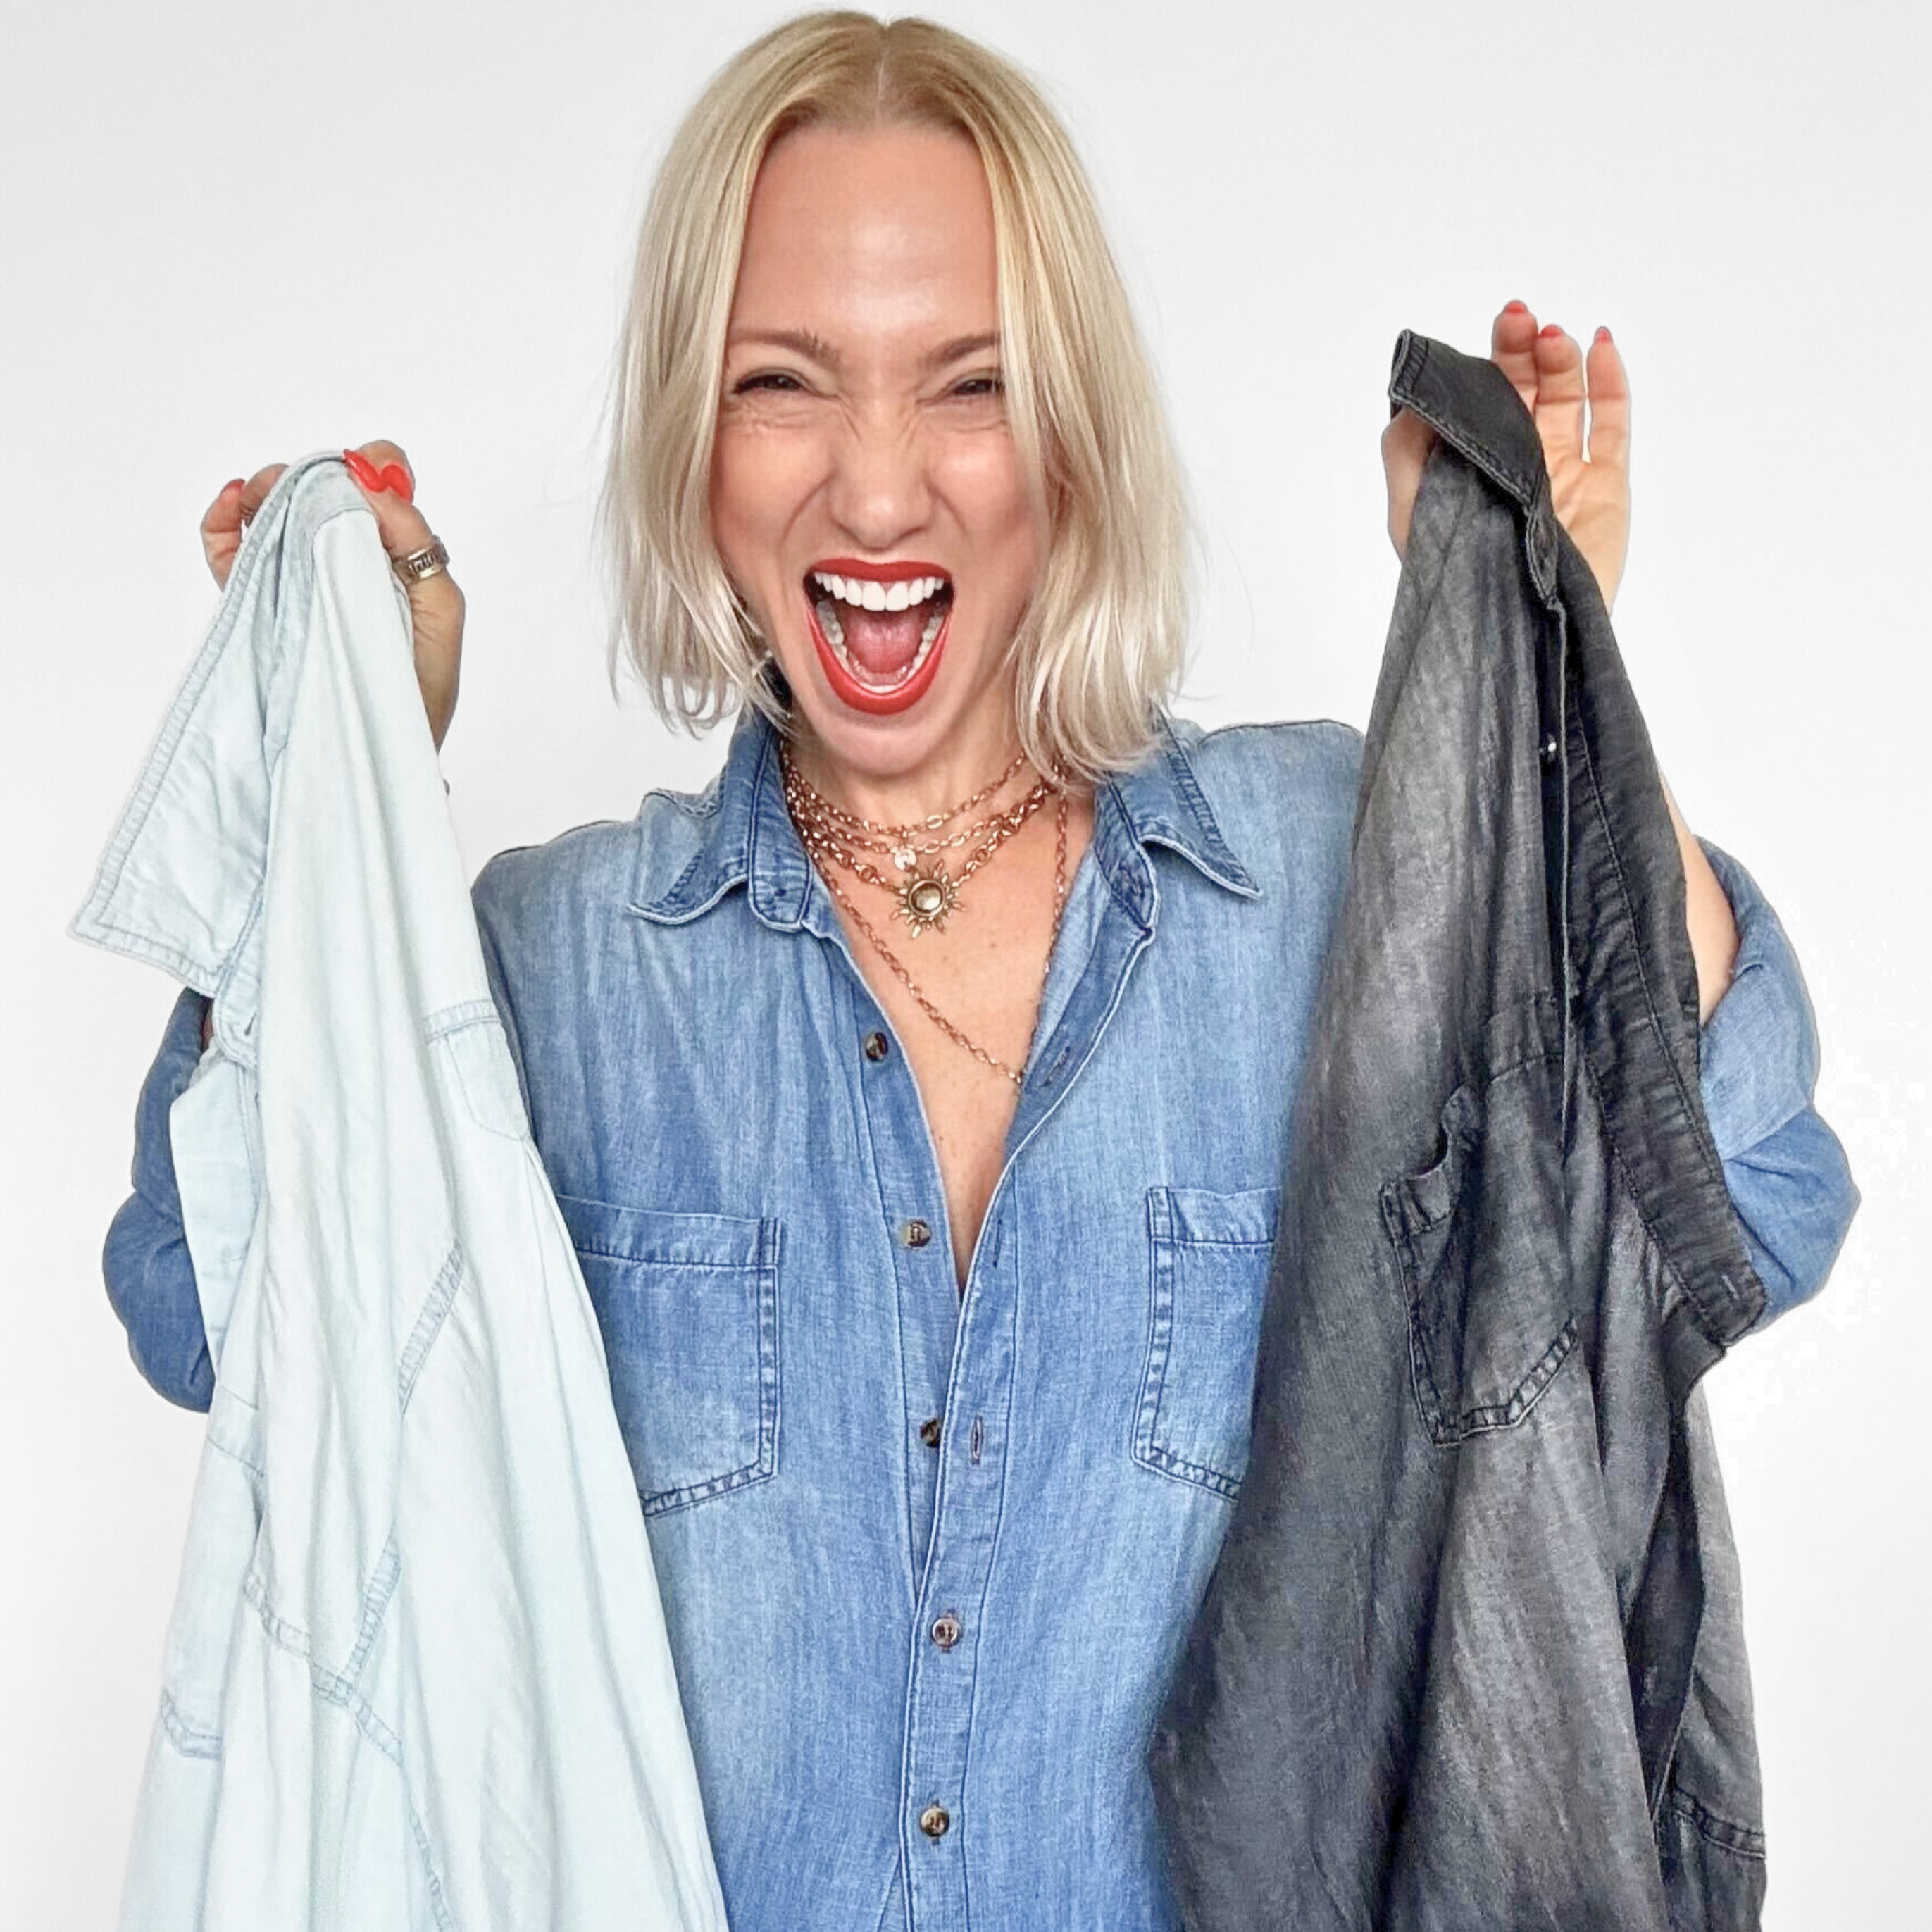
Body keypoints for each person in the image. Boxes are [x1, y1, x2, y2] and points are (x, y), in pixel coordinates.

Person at [106, 11, 1859, 1927]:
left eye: (968, 387)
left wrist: (1548, 673)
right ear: (693, 438)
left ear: (1077, 432)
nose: (875, 493)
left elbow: (1742, 1198)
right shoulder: (556, 967)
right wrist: (341, 775)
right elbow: (222, 1306)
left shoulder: (1334, 881)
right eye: (784, 385)